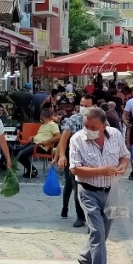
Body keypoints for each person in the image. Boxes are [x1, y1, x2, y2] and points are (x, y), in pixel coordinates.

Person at [69, 107, 130, 264]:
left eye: (92, 126)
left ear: (103, 125)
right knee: (97, 231)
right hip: (88, 192)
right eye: (85, 125)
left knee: (104, 231)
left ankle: (85, 256)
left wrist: (122, 166)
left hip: (110, 191)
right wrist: (100, 171)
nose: (88, 129)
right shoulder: (77, 139)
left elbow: (124, 156)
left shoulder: (116, 135)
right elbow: (75, 169)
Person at [53, 94, 95, 228]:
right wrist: (61, 156)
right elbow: (63, 138)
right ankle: (79, 216)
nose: (83, 108)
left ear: (94, 106)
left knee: (93, 188)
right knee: (75, 187)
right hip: (74, 159)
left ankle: (93, 214)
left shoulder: (100, 120)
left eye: (87, 106)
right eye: (82, 105)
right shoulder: (73, 119)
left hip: (93, 160)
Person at [15, 108, 59, 178]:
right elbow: (41, 135)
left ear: (42, 116)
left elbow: (58, 136)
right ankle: (31, 169)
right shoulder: (43, 125)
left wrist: (47, 141)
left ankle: (32, 170)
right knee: (16, 152)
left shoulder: (52, 124)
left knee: (21, 154)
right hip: (34, 143)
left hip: (41, 146)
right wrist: (33, 137)